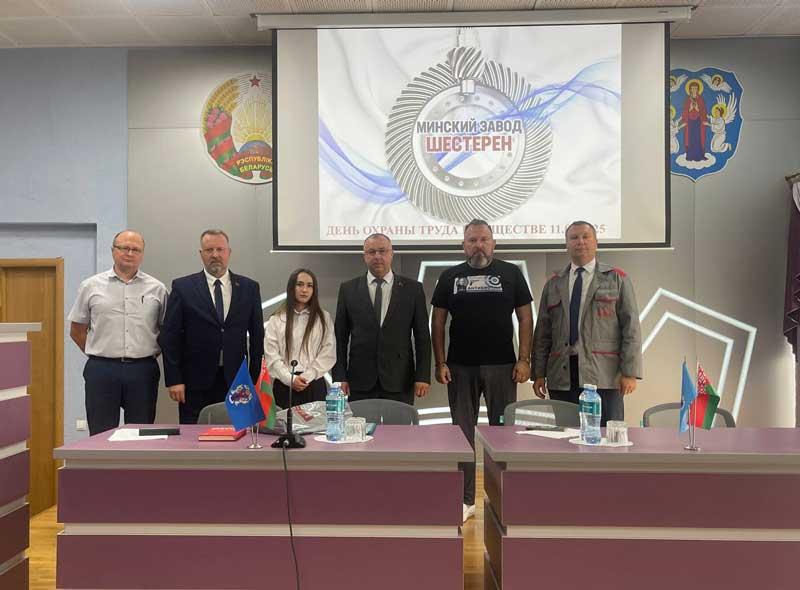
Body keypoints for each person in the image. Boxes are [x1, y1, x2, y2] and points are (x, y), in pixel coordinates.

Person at [431, 219, 533, 522]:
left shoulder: (511, 273)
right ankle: (466, 501)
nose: (479, 245)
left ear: (494, 243)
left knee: (503, 436)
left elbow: (525, 319)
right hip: (460, 368)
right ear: (463, 245)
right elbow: (438, 322)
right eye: (472, 240)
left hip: (503, 367)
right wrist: (440, 362)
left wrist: (524, 359)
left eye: (484, 239)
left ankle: (502, 499)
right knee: (462, 435)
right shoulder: (449, 276)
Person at [532, 221, 642, 424]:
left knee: (605, 435)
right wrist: (538, 373)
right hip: (562, 374)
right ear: (566, 244)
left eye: (585, 236)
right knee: (566, 435)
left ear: (596, 242)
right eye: (574, 238)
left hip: (604, 375)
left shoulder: (617, 279)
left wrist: (630, 372)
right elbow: (543, 333)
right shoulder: (554, 283)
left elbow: (631, 328)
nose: (580, 242)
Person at [159, 229, 265, 424]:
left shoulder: (249, 288)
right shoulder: (183, 287)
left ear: (229, 252)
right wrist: (174, 379)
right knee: (194, 437)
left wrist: (254, 378)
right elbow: (169, 336)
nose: (215, 255)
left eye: (220, 249)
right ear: (201, 254)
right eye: (209, 250)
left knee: (240, 434)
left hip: (238, 382)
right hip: (194, 383)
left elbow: (258, 336)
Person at [68, 230, 167, 436]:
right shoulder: (90, 286)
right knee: (100, 434)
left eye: (135, 249)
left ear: (142, 254)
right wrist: (100, 352)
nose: (129, 253)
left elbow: (166, 332)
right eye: (124, 248)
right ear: (113, 250)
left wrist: (146, 353)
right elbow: (77, 330)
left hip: (143, 370)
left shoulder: (157, 288)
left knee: (141, 433)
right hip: (102, 369)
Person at [333, 233, 431, 405]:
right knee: (361, 423)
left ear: (391, 254)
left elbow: (422, 336)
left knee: (400, 424)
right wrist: (340, 376)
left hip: (400, 379)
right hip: (360, 379)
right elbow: (340, 337)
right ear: (364, 256)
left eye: (382, 251)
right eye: (371, 252)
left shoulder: (413, 289)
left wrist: (422, 376)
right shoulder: (348, 289)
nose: (377, 256)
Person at [264, 268, 336, 409]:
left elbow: (328, 352)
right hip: (285, 387)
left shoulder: (323, 318)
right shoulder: (276, 319)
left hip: (313, 384)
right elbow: (271, 355)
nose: (304, 290)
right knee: (284, 423)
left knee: (316, 424)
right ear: (292, 287)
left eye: (309, 286)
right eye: (300, 284)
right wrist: (289, 379)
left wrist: (307, 376)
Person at [681, 80, 708, 162]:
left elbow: (704, 111)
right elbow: (684, 111)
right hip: (690, 122)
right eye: (692, 88)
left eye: (695, 88)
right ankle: (690, 156)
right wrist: (689, 109)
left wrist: (697, 109)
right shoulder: (687, 99)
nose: (694, 90)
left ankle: (699, 156)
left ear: (698, 89)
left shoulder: (700, 99)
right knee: (690, 138)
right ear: (689, 89)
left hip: (698, 122)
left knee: (698, 138)